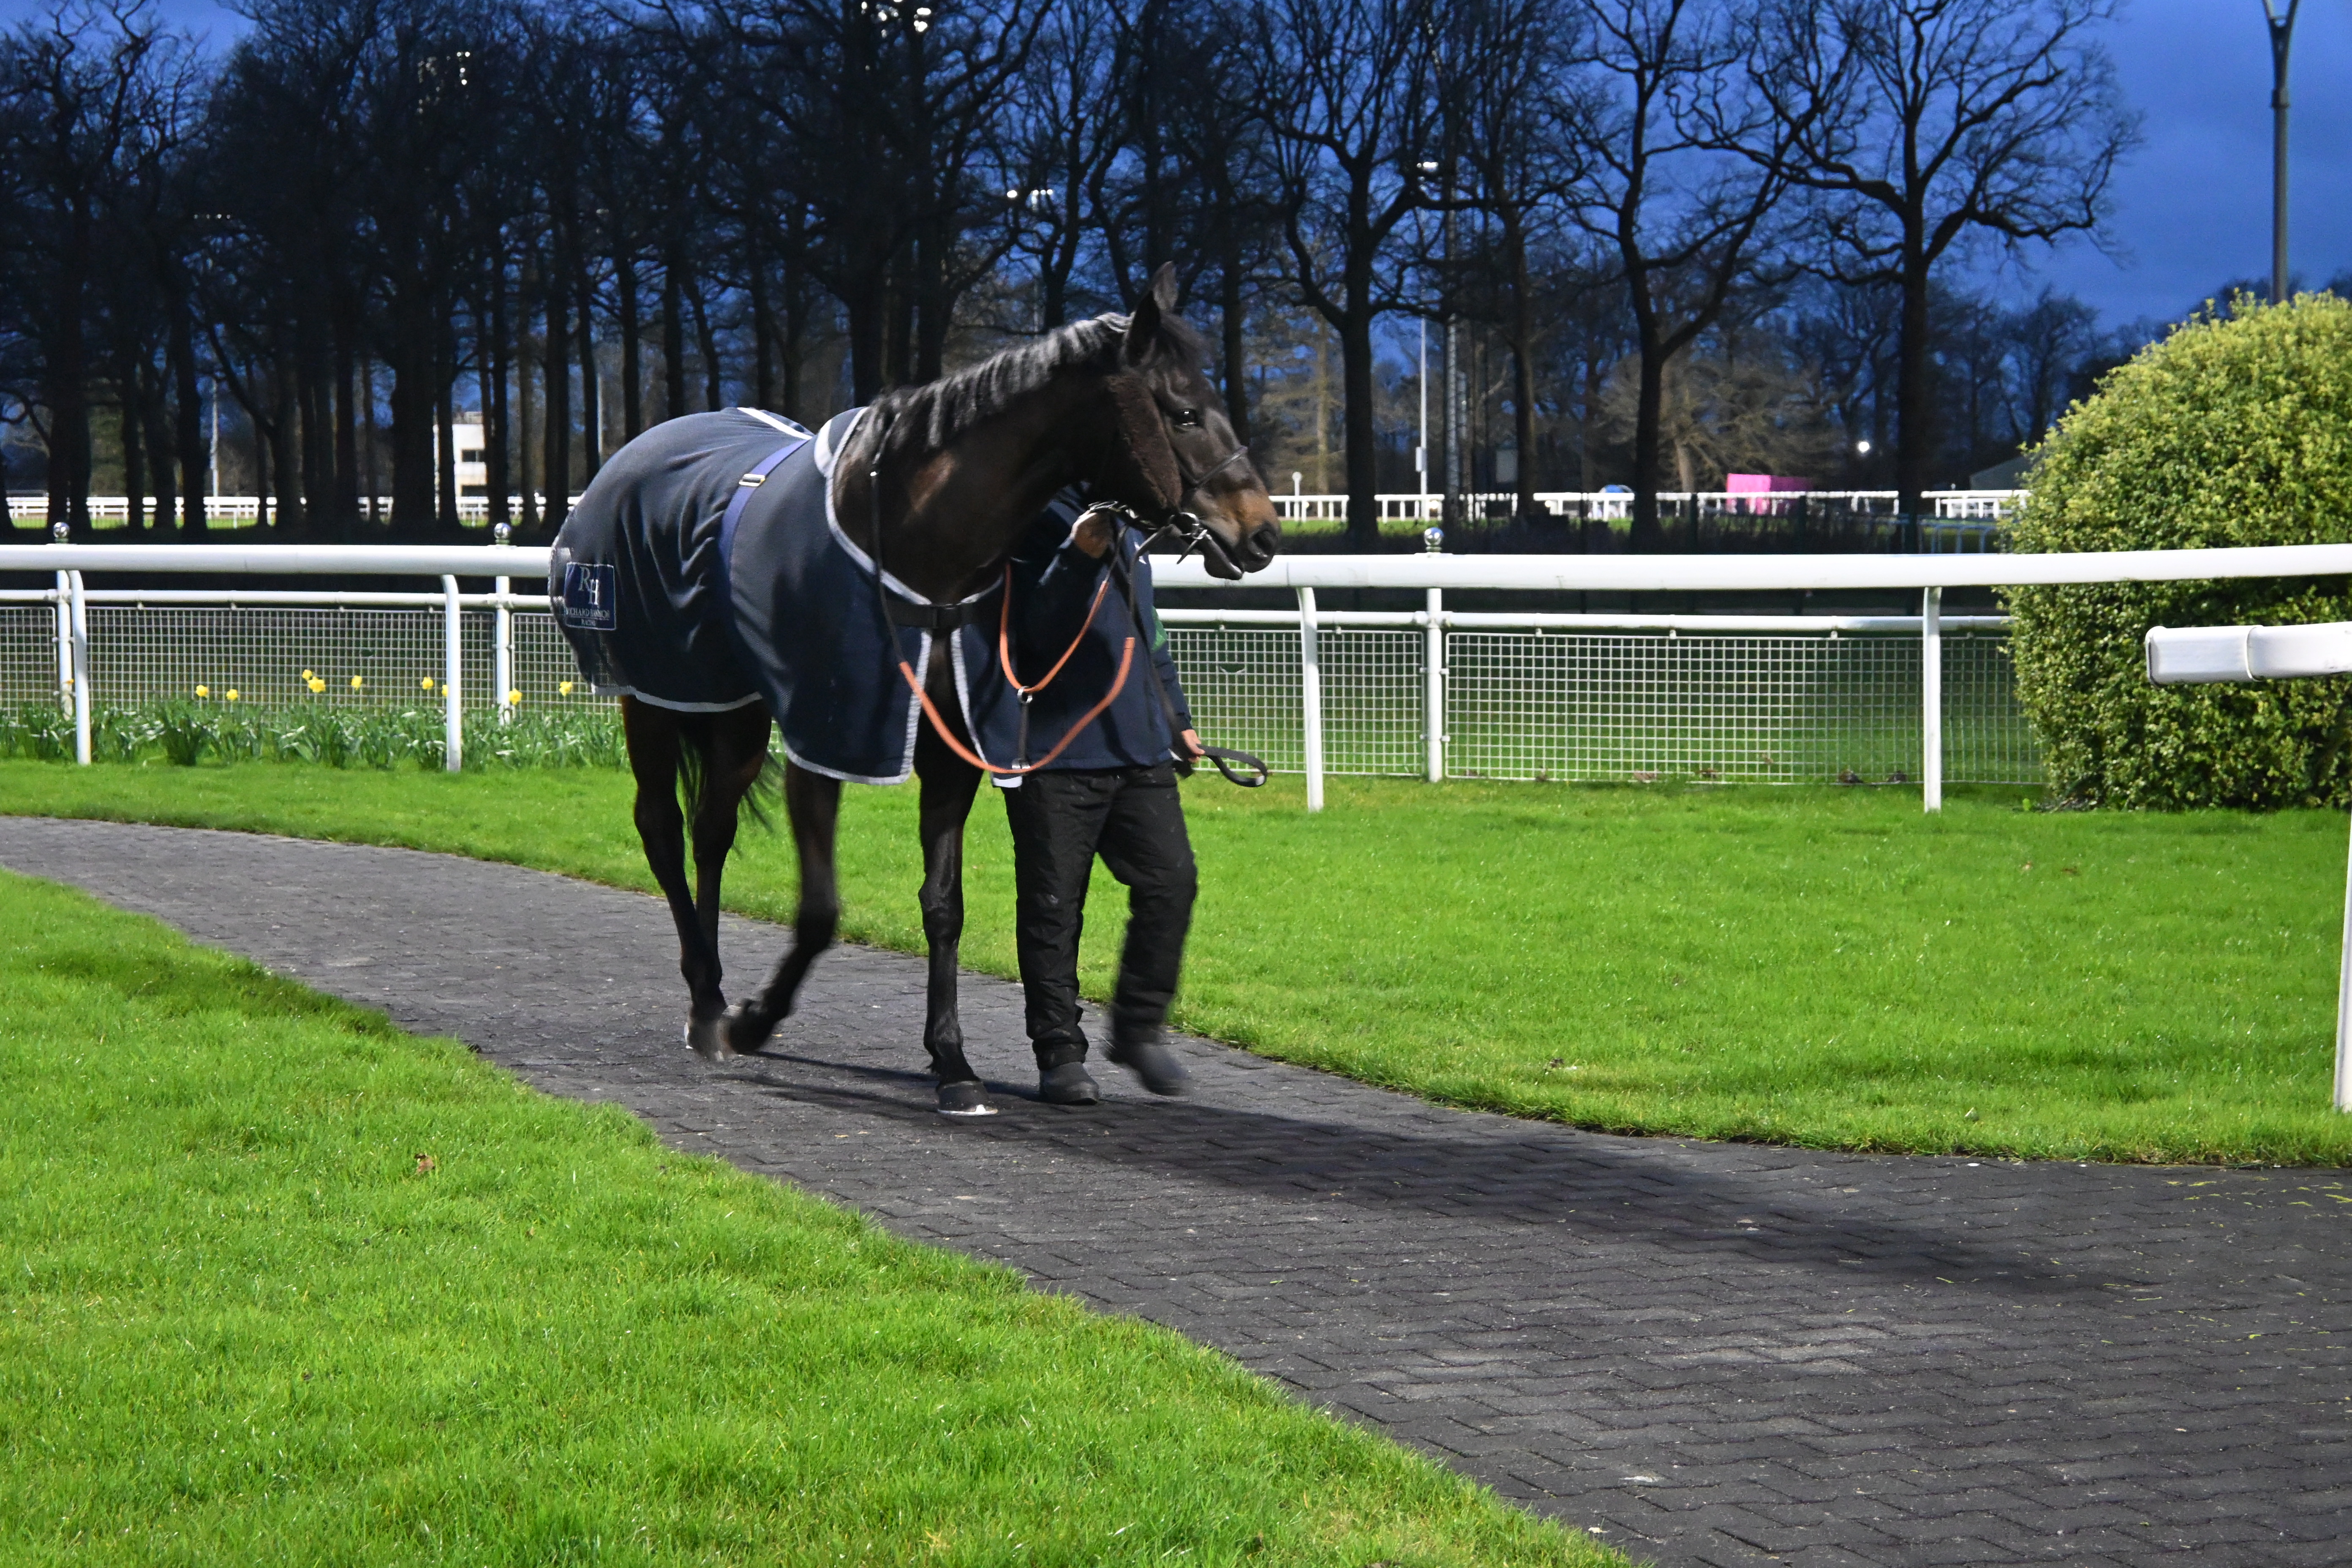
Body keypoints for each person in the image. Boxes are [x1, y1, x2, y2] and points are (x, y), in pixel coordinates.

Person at [970, 492, 1204, 1106]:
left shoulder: (1130, 529)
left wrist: (1177, 719)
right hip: (1054, 754)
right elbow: (1035, 635)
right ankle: (1059, 1053)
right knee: (1053, 908)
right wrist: (1078, 555)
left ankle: (1138, 1028)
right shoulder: (1021, 522)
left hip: (1140, 746)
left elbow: (1148, 632)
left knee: (1172, 881)